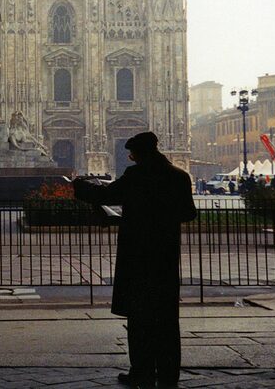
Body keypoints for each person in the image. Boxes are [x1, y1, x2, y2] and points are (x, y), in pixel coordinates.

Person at [73, 131, 197, 388]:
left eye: (132, 154)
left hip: (138, 256)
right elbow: (188, 213)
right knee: (166, 319)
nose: (130, 158)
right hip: (165, 257)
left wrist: (80, 186)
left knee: (139, 318)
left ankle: (141, 372)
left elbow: (106, 195)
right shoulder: (179, 176)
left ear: (139, 154)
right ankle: (168, 376)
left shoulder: (137, 176)